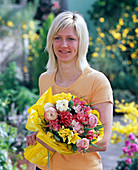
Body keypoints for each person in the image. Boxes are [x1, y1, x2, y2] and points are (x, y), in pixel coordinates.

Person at [26, 11, 113, 170]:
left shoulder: (98, 82)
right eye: (57, 38)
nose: (63, 44)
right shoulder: (44, 79)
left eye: (71, 39)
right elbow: (45, 128)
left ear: (81, 43)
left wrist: (59, 145)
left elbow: (103, 142)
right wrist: (37, 137)